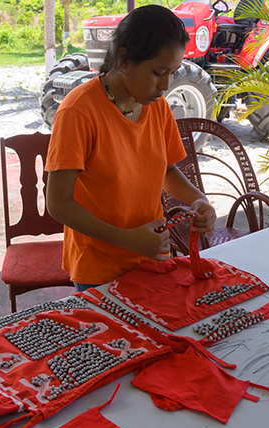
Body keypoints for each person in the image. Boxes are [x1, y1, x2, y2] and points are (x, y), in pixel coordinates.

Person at [45, 5, 217, 292]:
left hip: (151, 255)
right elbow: (58, 203)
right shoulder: (78, 111)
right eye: (158, 72)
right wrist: (128, 239)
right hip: (99, 269)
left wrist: (200, 200)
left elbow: (168, 170)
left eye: (172, 73)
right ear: (124, 59)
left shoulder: (157, 107)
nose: (165, 85)